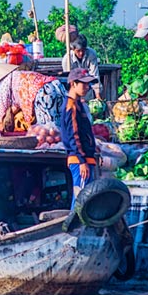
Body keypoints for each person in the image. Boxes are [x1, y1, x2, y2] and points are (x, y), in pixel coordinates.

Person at [0, 62, 67, 130]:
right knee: (61, 124)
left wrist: (0, 124)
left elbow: (2, 110)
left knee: (47, 130)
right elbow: (15, 106)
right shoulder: (17, 75)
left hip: (43, 94)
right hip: (55, 87)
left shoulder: (4, 83)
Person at [60, 68, 98, 209]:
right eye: (84, 84)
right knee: (81, 199)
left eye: (88, 84)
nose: (87, 88)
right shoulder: (71, 106)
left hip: (85, 159)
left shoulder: (78, 104)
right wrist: (82, 161)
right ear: (73, 84)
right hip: (79, 161)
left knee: (85, 199)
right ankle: (74, 230)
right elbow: (73, 136)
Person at [61, 34, 102, 101]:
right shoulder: (67, 60)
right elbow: (69, 80)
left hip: (88, 89)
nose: (81, 53)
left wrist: (98, 94)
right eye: (78, 51)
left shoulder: (91, 54)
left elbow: (95, 75)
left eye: (83, 50)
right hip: (74, 90)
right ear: (73, 49)